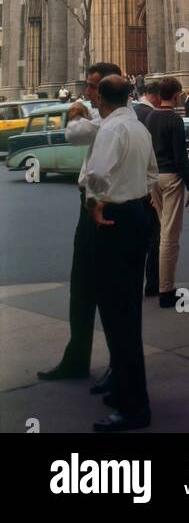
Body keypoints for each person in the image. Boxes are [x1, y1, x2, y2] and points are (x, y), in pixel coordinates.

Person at [37, 61, 122, 387]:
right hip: (88, 206)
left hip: (109, 209)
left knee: (111, 294)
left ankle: (119, 366)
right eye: (86, 87)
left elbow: (76, 133)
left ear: (107, 90)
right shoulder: (101, 116)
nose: (86, 93)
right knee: (83, 288)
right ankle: (77, 358)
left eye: (92, 87)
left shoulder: (110, 121)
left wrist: (75, 113)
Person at [85, 75, 158, 433]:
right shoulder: (140, 128)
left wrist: (96, 202)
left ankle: (133, 406)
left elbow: (95, 174)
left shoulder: (111, 131)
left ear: (100, 96)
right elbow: (153, 175)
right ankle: (122, 388)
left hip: (114, 220)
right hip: (139, 215)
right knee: (128, 311)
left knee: (117, 315)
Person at [146, 76, 189, 307]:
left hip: (153, 178)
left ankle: (157, 283)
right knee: (170, 236)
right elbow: (181, 157)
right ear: (176, 96)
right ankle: (167, 290)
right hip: (171, 178)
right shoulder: (175, 120)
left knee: (162, 231)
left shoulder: (150, 117)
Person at [134, 81, 162, 296]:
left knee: (136, 238)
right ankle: (153, 282)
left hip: (132, 188)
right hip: (149, 187)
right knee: (155, 236)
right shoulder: (153, 116)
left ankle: (132, 283)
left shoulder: (132, 114)